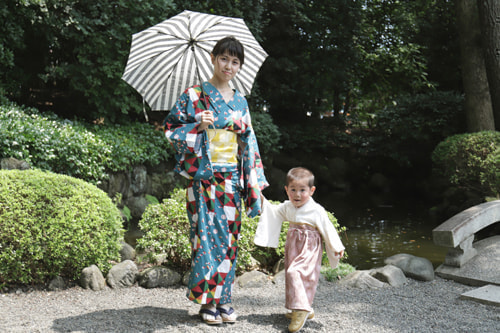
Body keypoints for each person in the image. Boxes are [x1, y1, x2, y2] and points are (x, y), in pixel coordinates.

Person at [163, 36, 268, 325]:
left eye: (235, 62)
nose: (229, 66)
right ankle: (207, 302)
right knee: (205, 238)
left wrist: (254, 183)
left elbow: (249, 141)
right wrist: (199, 125)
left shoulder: (240, 100)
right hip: (204, 179)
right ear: (212, 57)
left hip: (232, 178)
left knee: (229, 240)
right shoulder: (194, 95)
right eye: (224, 59)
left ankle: (224, 299)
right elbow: (171, 130)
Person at [254, 167, 345, 333]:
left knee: (295, 272)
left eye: (302, 190)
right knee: (292, 273)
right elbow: (272, 211)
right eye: (293, 190)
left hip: (309, 247)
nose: (297, 195)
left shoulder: (316, 209)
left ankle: (302, 309)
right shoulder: (288, 206)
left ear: (311, 191)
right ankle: (299, 308)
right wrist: (260, 198)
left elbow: (327, 227)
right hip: (293, 246)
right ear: (286, 190)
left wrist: (337, 246)